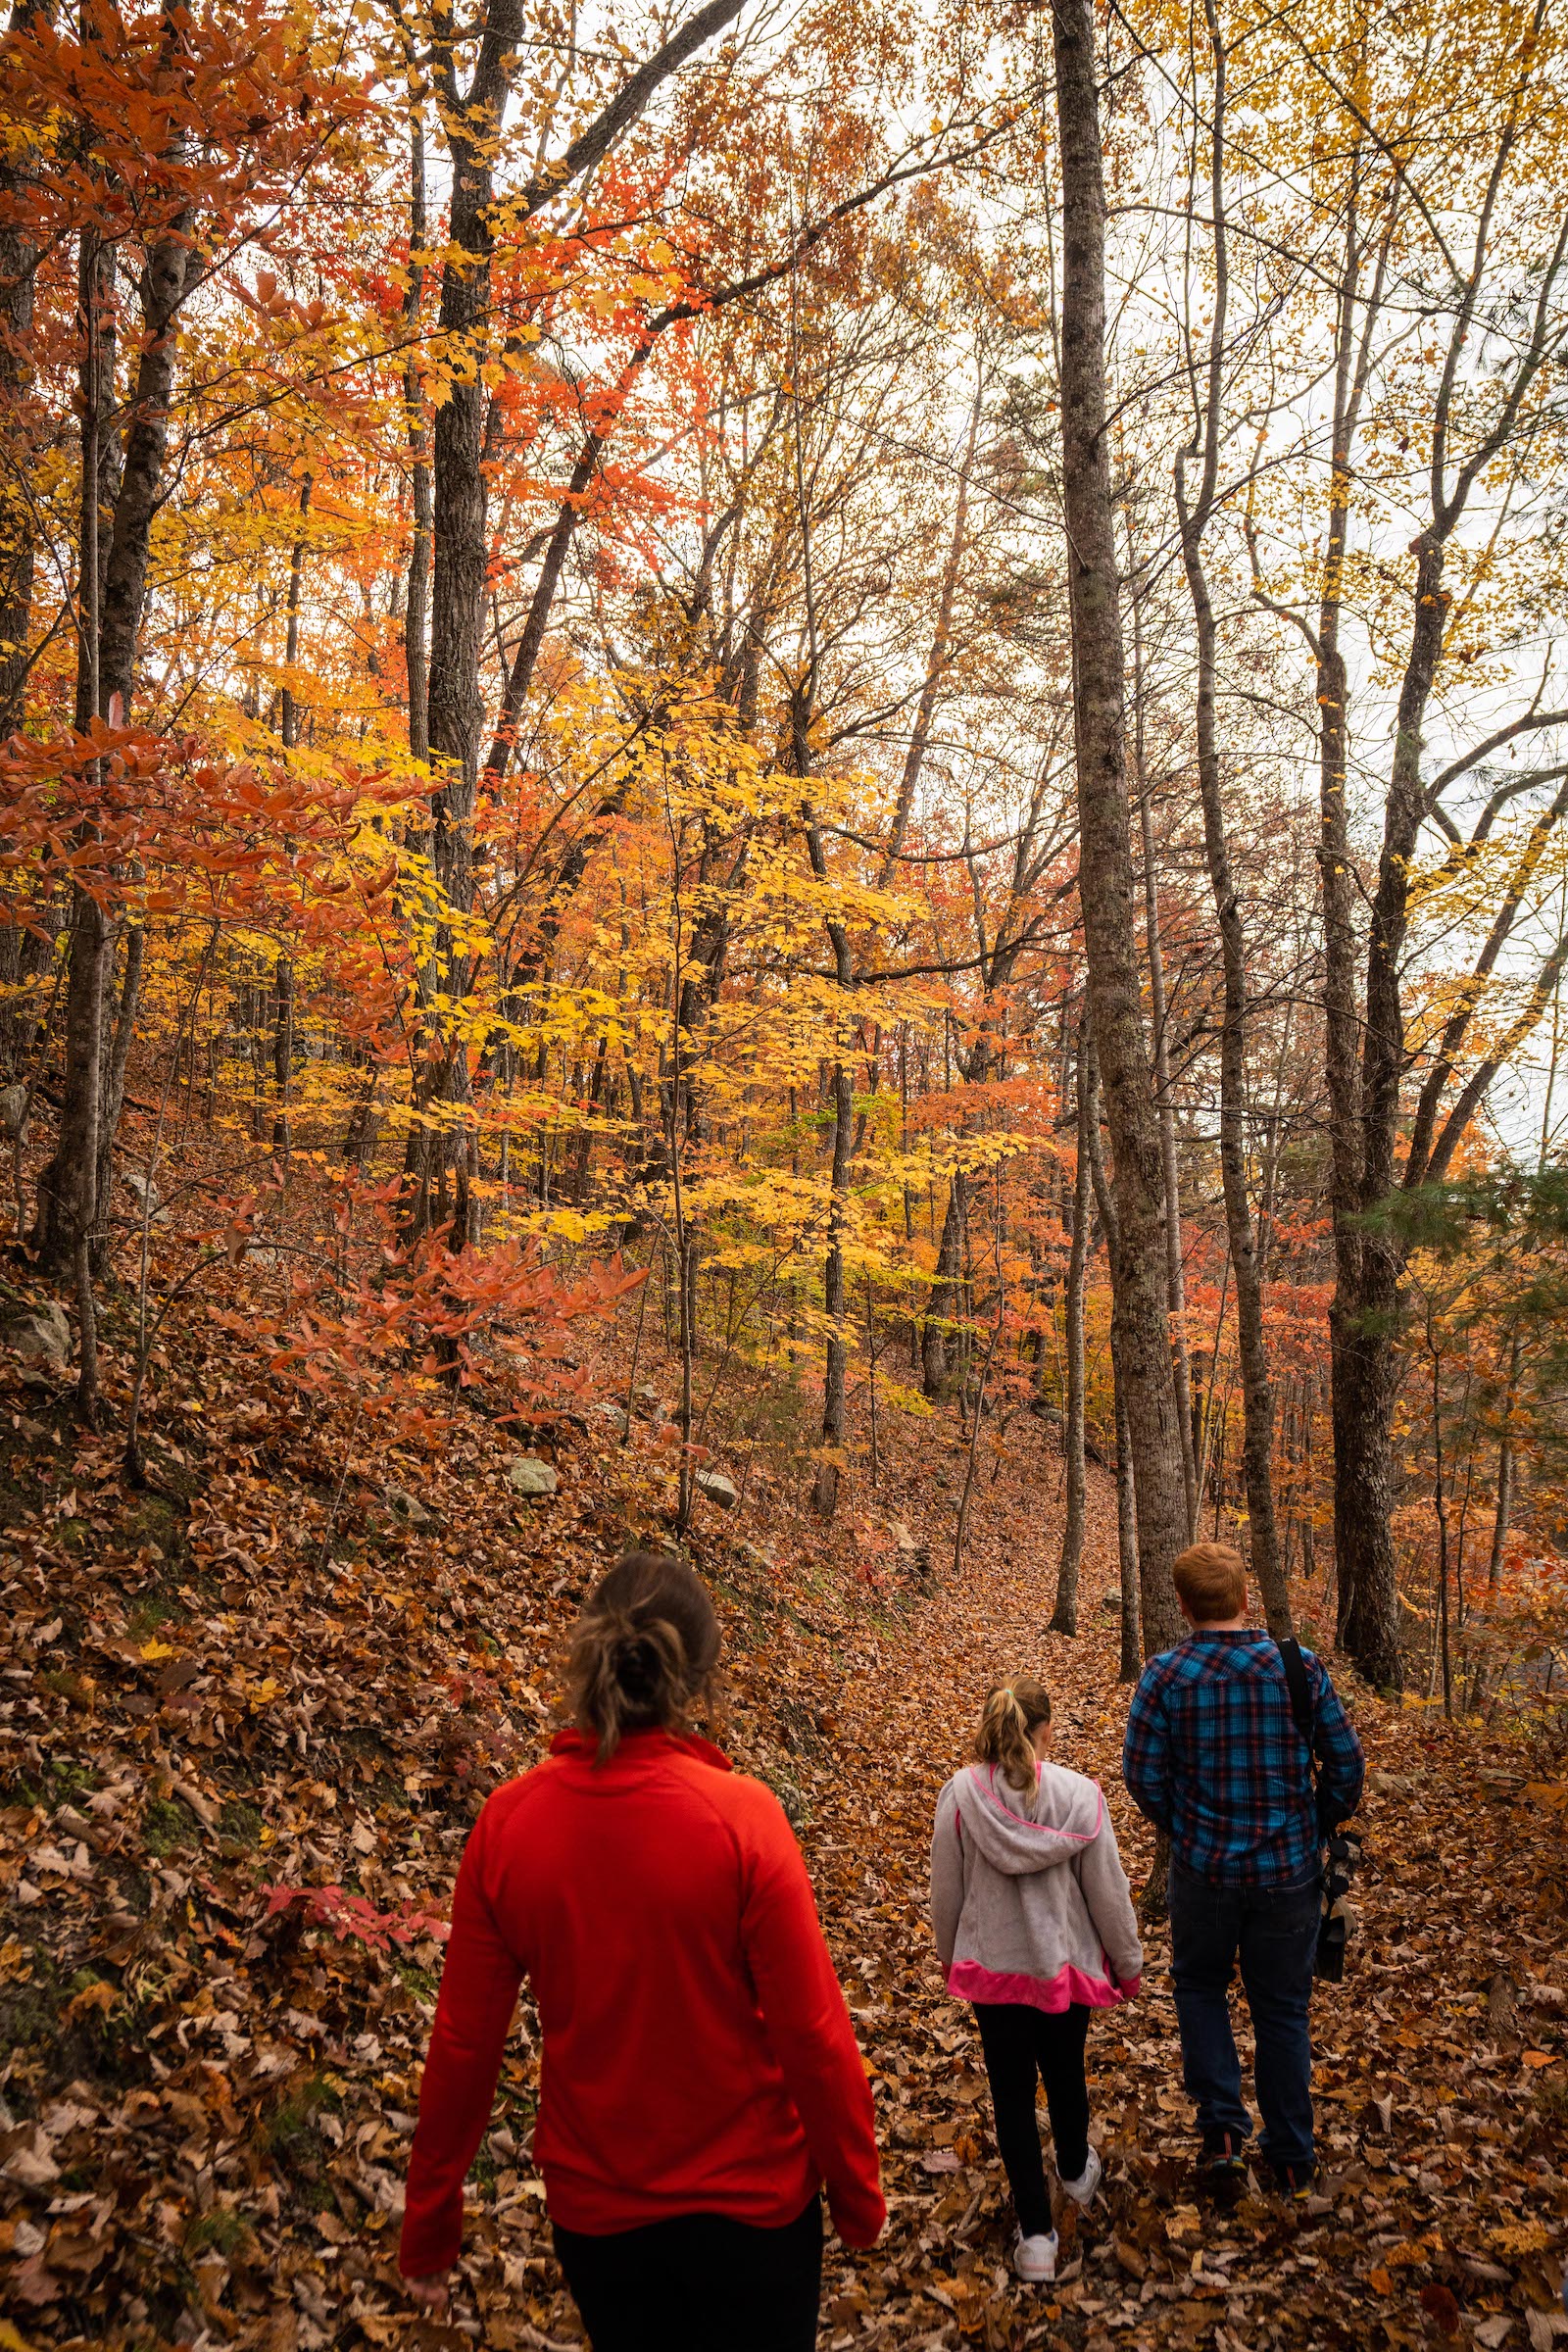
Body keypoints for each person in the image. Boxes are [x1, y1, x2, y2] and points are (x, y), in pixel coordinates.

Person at [398, 1551, 885, 2350]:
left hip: (601, 2224)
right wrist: (858, 2194)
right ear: (698, 1677)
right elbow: (815, 2033)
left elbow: (462, 2047)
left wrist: (430, 2228)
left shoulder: (510, 1826)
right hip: (754, 2215)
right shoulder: (742, 1820)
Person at [1122, 1540, 1365, 2202]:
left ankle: (1223, 2138)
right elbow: (1347, 1765)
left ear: (1182, 1604)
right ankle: (1290, 2157)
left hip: (1203, 1871)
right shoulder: (1297, 1667)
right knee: (1282, 2011)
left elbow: (1141, 1775)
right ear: (1243, 1598)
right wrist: (1311, 1825)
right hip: (1287, 1874)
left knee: (1200, 1990)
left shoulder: (1166, 1676)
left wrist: (1185, 1825)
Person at [930, 1675, 1143, 2284]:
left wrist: (953, 1958)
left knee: (1012, 2095)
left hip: (994, 1969)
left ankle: (1036, 2237)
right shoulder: (1079, 1798)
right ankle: (1075, 2171)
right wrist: (1127, 1963)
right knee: (1065, 2068)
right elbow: (1108, 1893)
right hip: (1061, 1969)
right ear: (1044, 1729)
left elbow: (947, 1892)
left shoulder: (961, 1796)